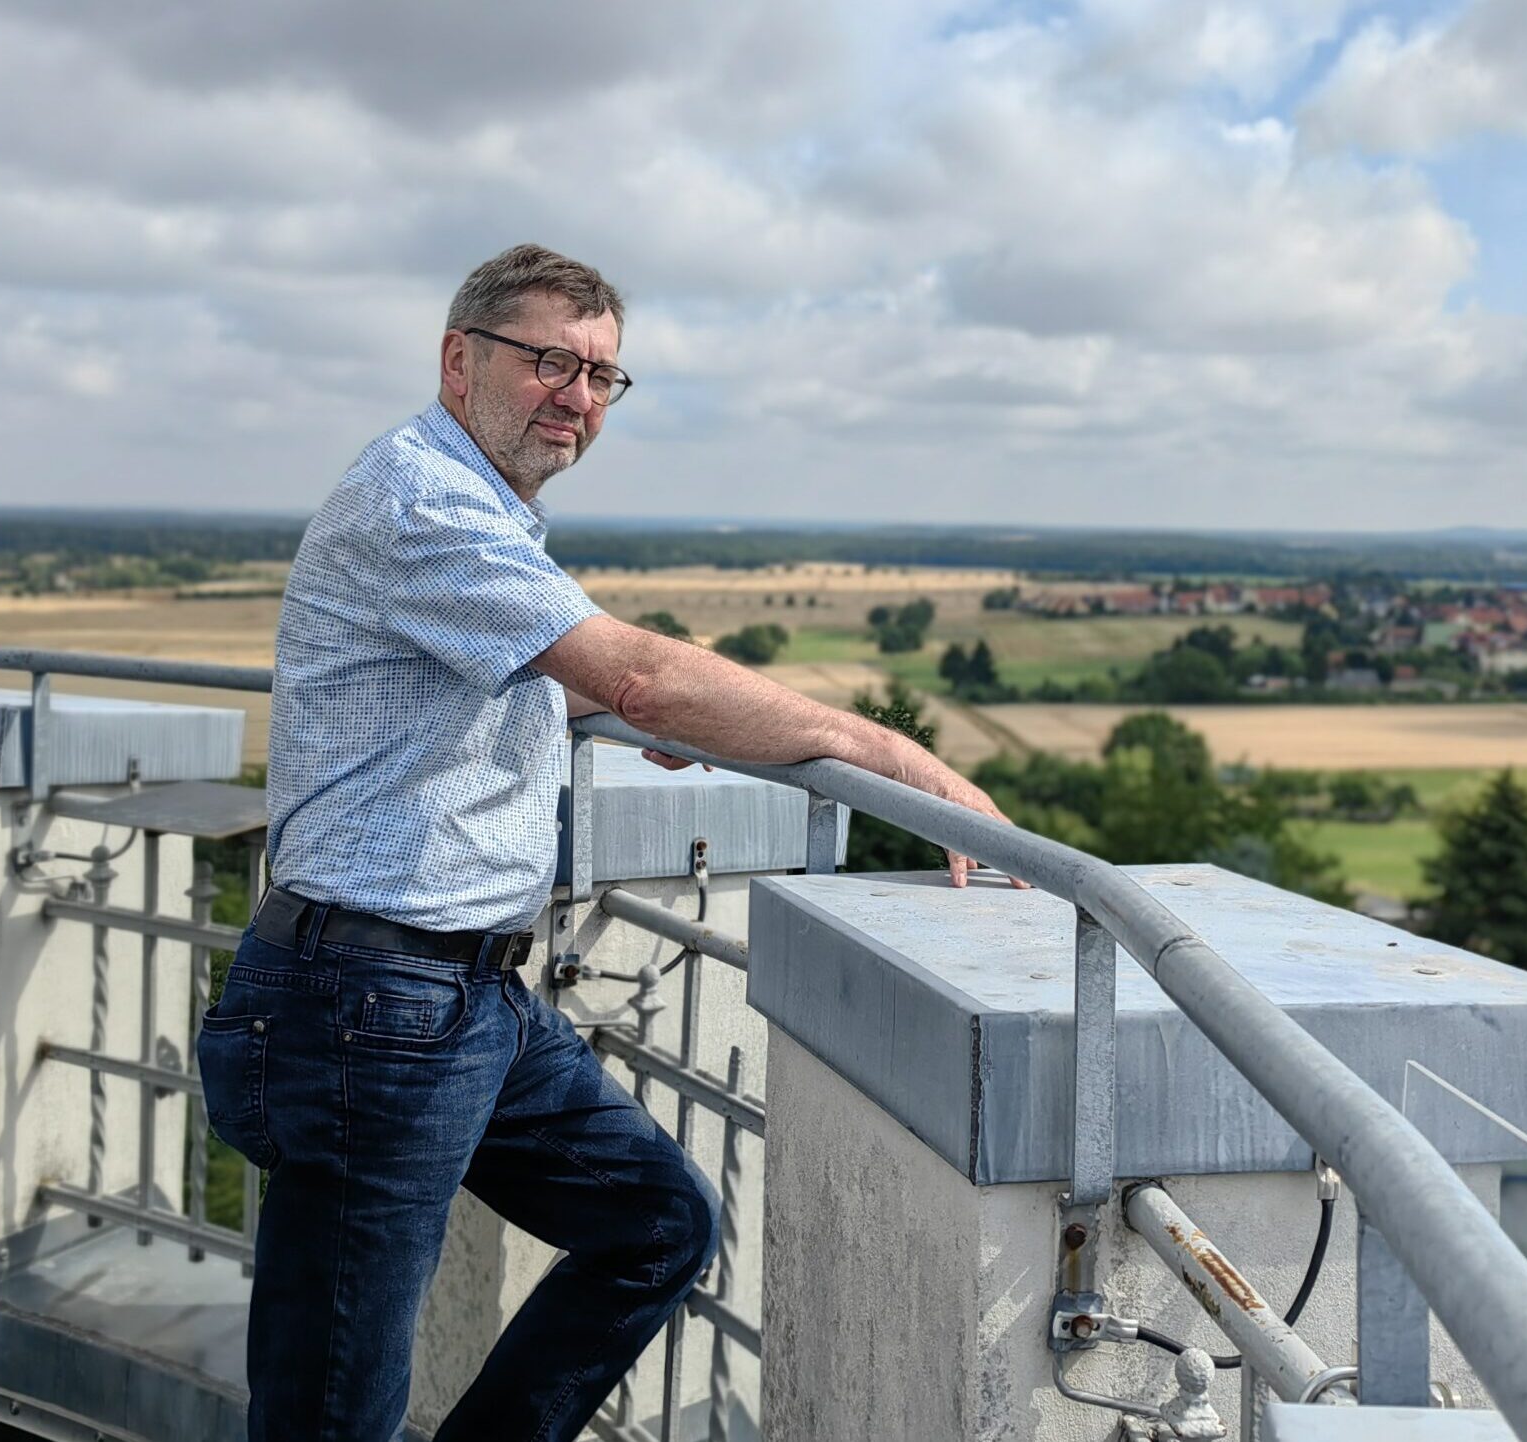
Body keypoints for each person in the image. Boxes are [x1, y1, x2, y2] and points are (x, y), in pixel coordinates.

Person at [198, 242, 1020, 1441]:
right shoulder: (417, 498)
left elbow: (523, 676)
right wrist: (884, 751)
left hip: (461, 996)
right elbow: (634, 669)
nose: (577, 399)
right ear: (458, 357)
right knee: (329, 1405)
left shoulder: (482, 508)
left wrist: (586, 704)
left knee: (656, 1224)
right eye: (549, 362)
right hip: (366, 1000)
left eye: (601, 377)